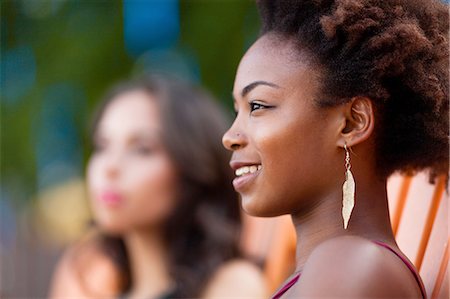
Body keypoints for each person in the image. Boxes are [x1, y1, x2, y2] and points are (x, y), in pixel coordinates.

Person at [222, 0, 448, 298]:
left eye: (258, 106)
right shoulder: (333, 268)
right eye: (237, 109)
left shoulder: (351, 267)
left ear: (352, 123)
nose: (230, 136)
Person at [49, 74, 267, 298]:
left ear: (192, 168)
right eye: (102, 146)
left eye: (142, 149)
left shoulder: (231, 285)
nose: (109, 167)